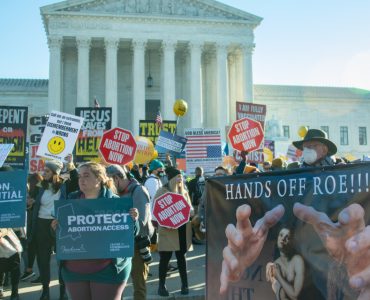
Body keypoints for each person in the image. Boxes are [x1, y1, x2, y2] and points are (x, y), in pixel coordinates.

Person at [60, 162, 139, 300]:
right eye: (79, 176)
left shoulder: (116, 203)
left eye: (86, 176)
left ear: (99, 178)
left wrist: (134, 220)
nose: (81, 180)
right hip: (74, 271)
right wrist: (55, 227)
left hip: (108, 270)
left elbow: (132, 234)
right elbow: (59, 235)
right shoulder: (70, 201)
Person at [106, 164, 154, 300]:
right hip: (119, 245)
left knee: (139, 284)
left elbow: (142, 223)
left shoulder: (138, 190)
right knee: (116, 285)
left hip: (137, 246)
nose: (108, 186)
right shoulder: (113, 193)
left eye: (110, 181)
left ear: (116, 178)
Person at [30, 160, 68, 300]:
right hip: (41, 225)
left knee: (62, 261)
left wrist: (71, 166)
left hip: (58, 225)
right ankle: (45, 291)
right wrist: (30, 202)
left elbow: (75, 182)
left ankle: (62, 293)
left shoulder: (64, 186)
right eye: (43, 170)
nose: (43, 173)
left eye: (47, 171)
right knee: (43, 260)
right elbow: (31, 201)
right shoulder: (40, 186)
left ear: (55, 173)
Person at [154, 166, 193, 297]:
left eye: (181, 179)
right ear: (171, 179)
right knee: (165, 259)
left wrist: (191, 213)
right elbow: (156, 212)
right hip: (167, 231)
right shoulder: (162, 191)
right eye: (177, 179)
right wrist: (166, 223)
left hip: (182, 230)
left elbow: (190, 208)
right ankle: (161, 286)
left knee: (182, 258)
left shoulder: (184, 191)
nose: (179, 181)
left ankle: (185, 285)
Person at [266, 226, 304, 300]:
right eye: (281, 235)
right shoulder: (275, 264)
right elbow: (278, 294)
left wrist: (279, 276)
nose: (283, 239)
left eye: (287, 237)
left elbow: (295, 296)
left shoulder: (297, 260)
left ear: (292, 242)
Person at [0, 229, 22, 300]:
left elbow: (16, 223)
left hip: (10, 243)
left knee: (15, 268)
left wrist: (3, 231)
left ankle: (15, 292)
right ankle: (0, 289)